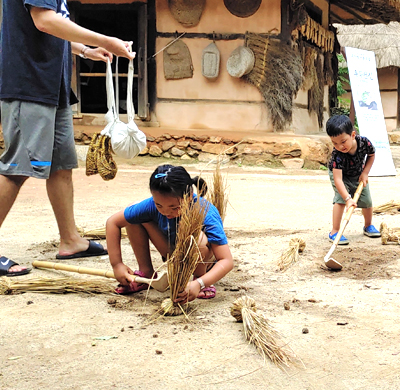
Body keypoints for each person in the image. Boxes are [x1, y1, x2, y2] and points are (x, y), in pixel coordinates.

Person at [0, 0, 136, 277]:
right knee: (17, 168)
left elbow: (51, 27)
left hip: (52, 87)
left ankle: (71, 240)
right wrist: (106, 40)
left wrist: (85, 50)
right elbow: (45, 21)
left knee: (61, 165)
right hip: (29, 84)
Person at [106, 164, 234, 301]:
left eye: (174, 207)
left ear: (189, 195)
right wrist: (117, 264)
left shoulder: (205, 211)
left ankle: (200, 277)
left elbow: (227, 260)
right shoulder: (151, 205)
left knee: (198, 239)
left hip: (203, 259)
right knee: (134, 216)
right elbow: (112, 222)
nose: (166, 212)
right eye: (159, 205)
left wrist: (199, 283)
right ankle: (147, 273)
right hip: (172, 252)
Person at [326, 115, 381, 245]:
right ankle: (334, 231)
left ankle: (368, 226)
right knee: (340, 201)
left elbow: (371, 155)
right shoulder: (337, 155)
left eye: (343, 141)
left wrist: (365, 173)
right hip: (341, 176)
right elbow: (338, 180)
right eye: (335, 143)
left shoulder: (364, 143)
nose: (340, 146)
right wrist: (347, 199)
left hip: (358, 174)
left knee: (367, 201)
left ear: (352, 135)